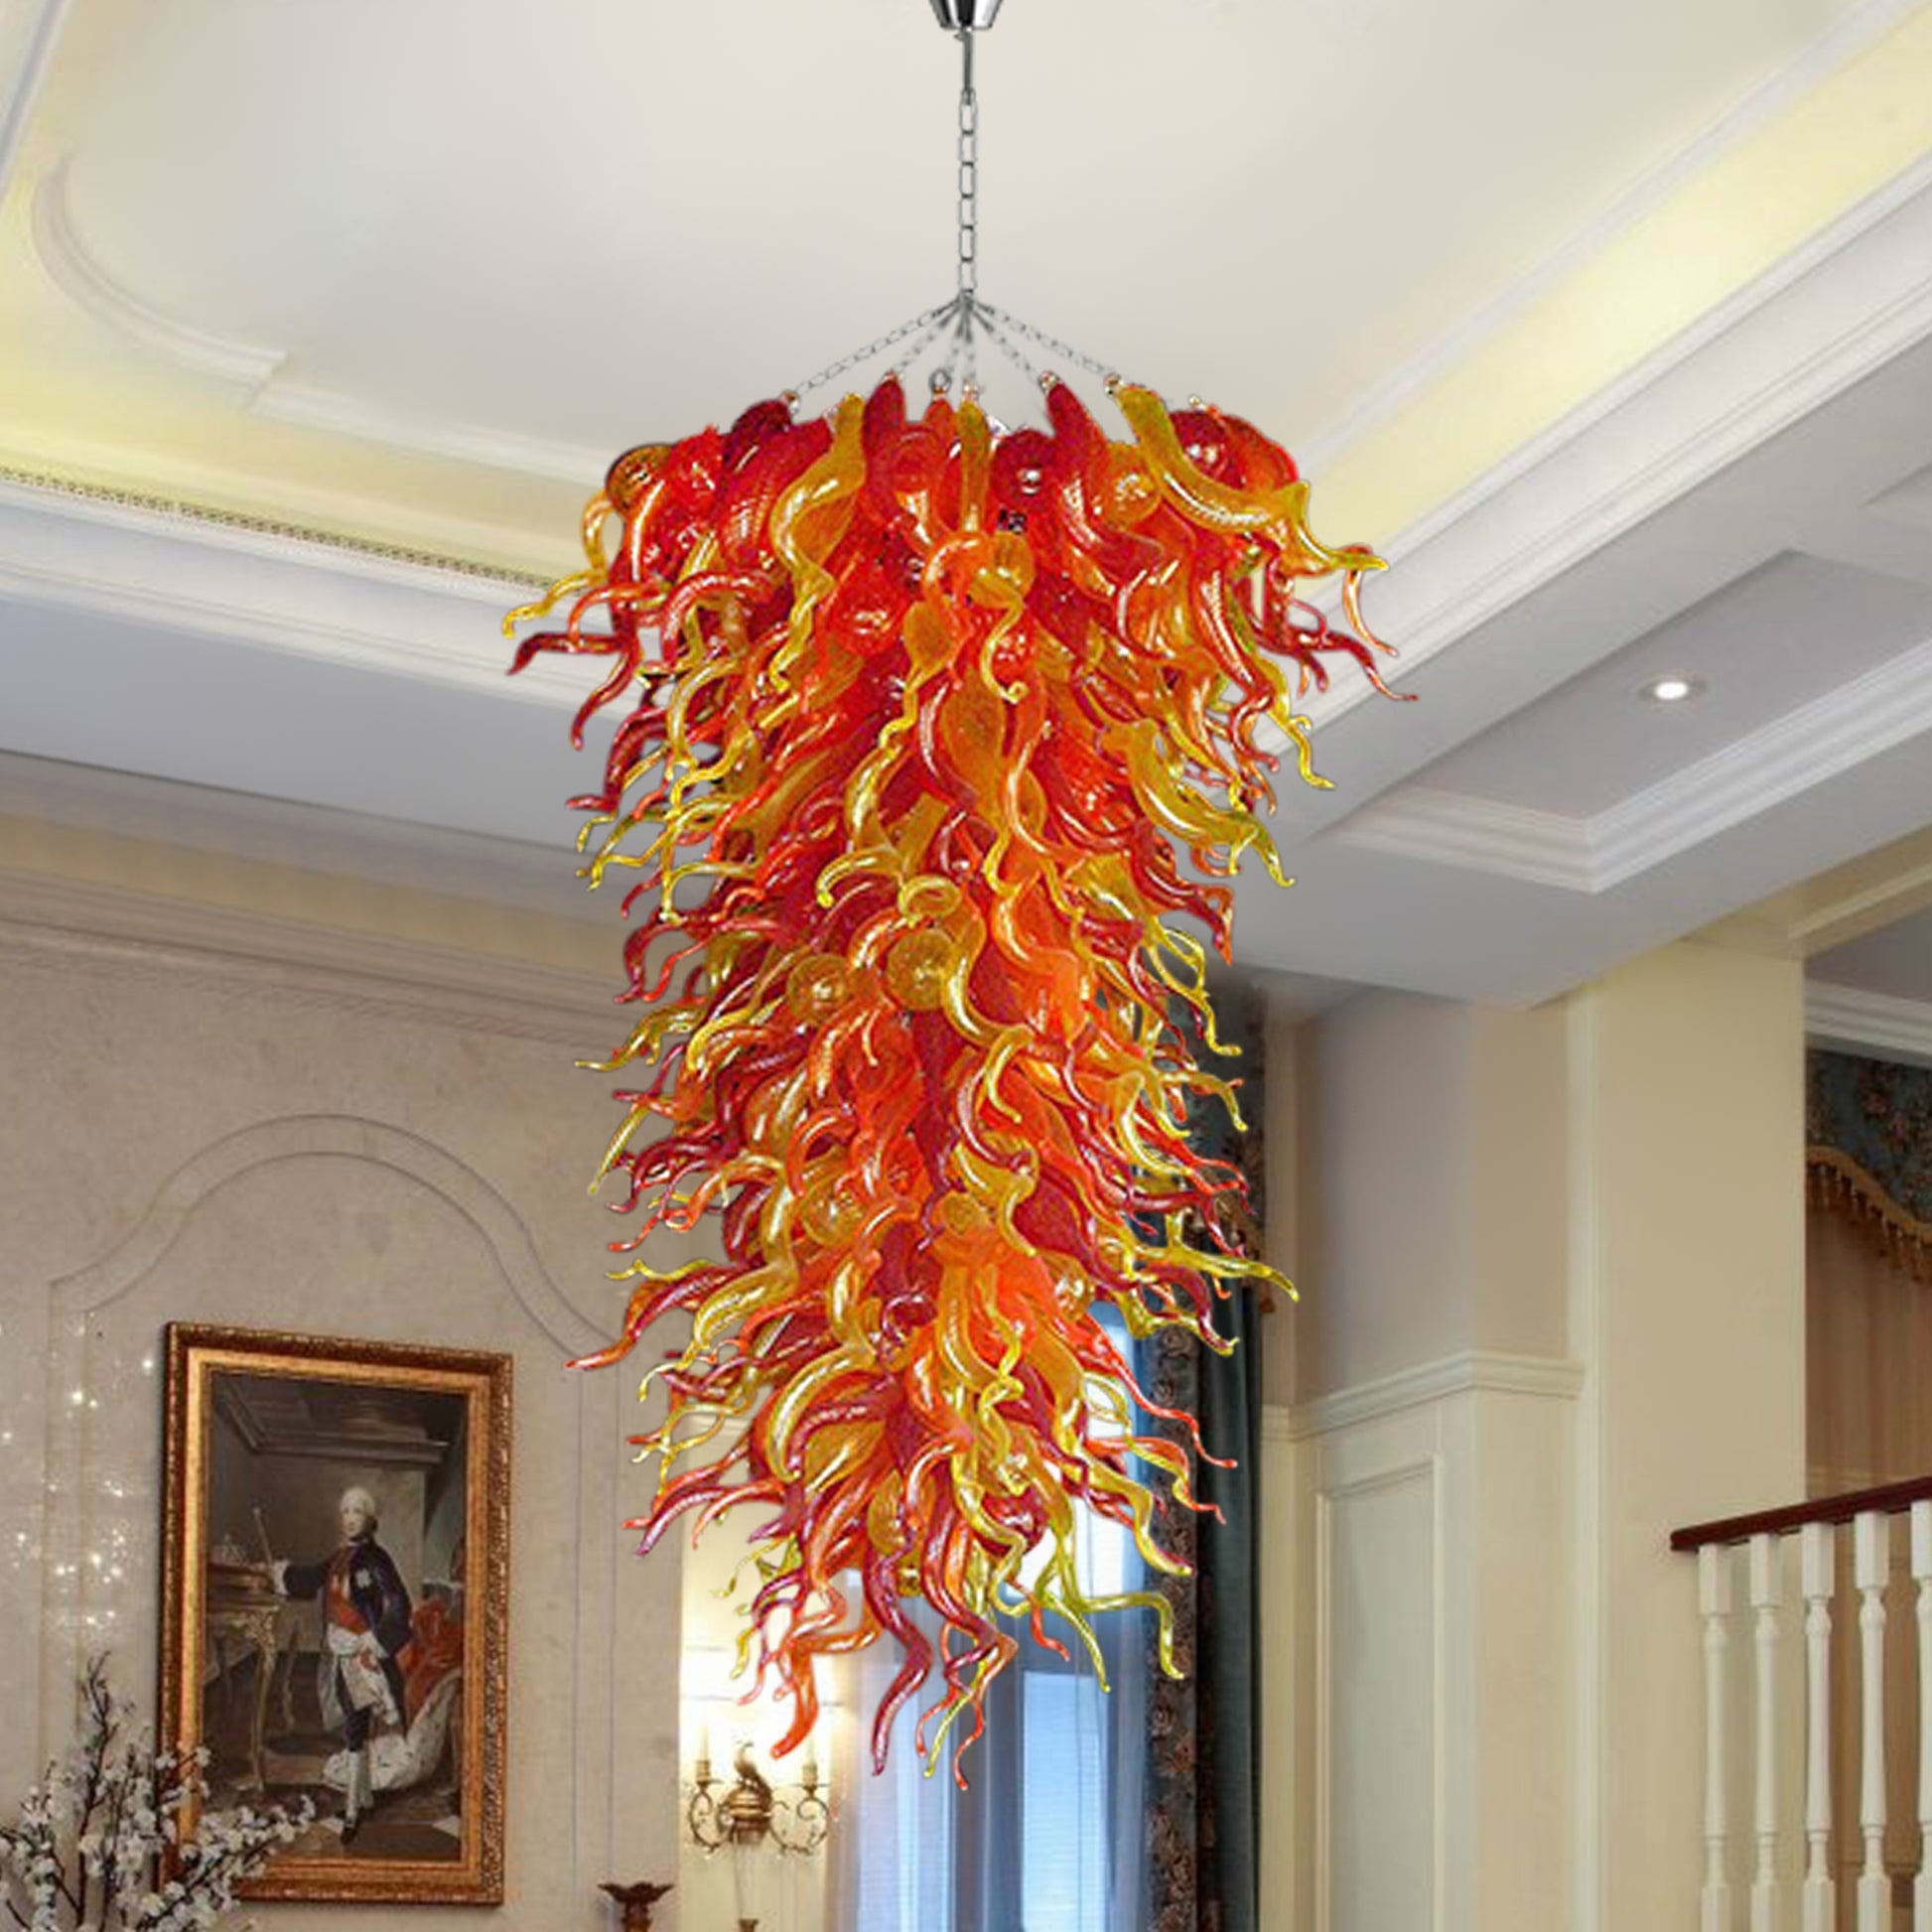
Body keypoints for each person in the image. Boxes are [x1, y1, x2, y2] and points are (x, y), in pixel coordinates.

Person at [271, 1485, 412, 1846]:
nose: (350, 1518)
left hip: (362, 1660)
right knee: (354, 1725)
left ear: (370, 1519)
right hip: (338, 1652)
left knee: (354, 1726)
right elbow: (309, 1577)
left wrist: (374, 1641)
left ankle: (351, 1811)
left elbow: (399, 1605)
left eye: (358, 1512)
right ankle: (361, 1799)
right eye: (346, 1511)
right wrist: (278, 1572)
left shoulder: (377, 1560)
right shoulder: (338, 1557)